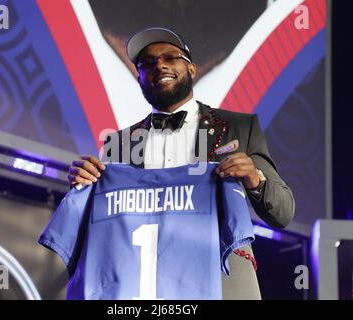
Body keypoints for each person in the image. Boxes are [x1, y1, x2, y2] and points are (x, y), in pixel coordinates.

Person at [67, 27, 295, 299]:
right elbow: (103, 226)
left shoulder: (239, 127)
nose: (159, 65)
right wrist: (83, 186)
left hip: (223, 278)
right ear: (138, 78)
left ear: (192, 69)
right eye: (147, 63)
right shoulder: (119, 143)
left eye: (170, 57)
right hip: (144, 282)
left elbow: (282, 213)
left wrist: (255, 178)